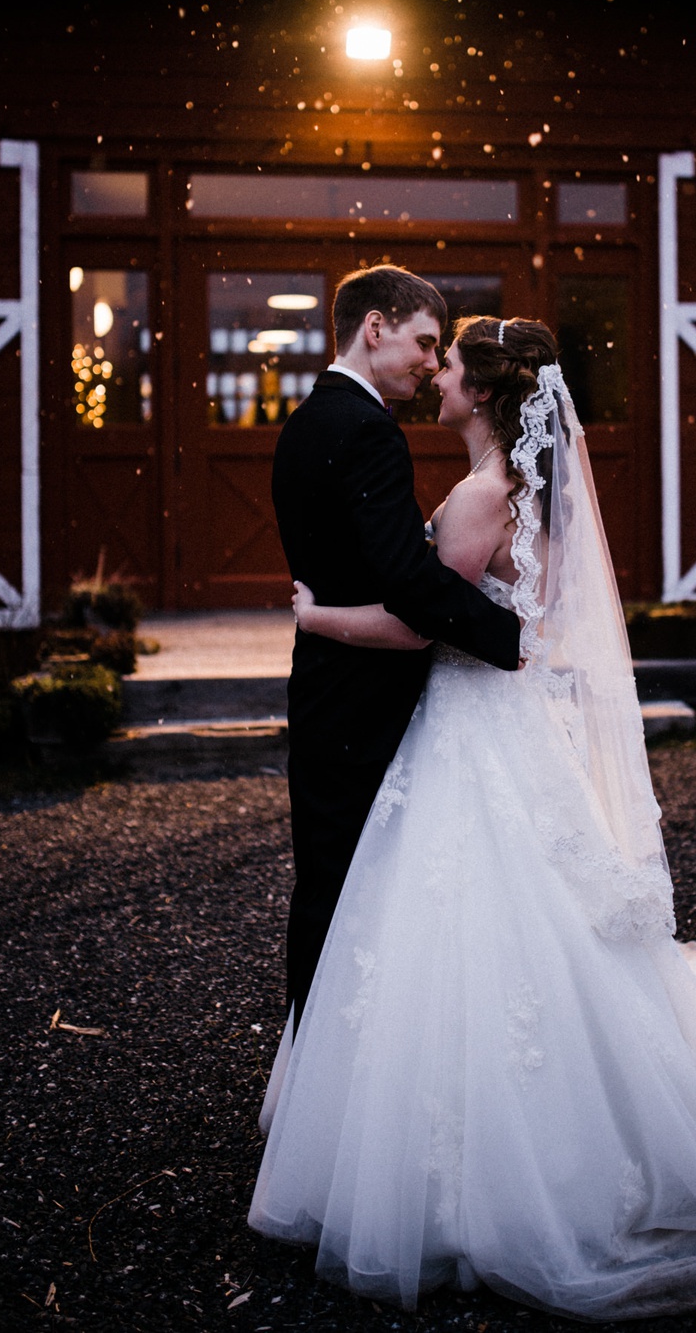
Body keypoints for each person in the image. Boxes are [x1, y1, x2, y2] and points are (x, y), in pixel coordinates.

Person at [251, 316, 696, 1321]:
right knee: (532, 926)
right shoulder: (527, 491)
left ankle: (478, 1163)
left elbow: (425, 618)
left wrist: (314, 615)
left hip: (469, 733)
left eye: (451, 364)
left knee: (463, 921)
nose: (437, 377)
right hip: (505, 728)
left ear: (485, 393)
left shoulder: (476, 495)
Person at [270, 268, 521, 1030]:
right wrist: (515, 635)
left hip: (324, 690)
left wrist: (318, 619)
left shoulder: (306, 421)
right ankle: (326, 1069)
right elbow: (410, 583)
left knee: (330, 881)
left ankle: (317, 1064)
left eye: (438, 350)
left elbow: (360, 562)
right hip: (362, 697)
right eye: (422, 341)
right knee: (351, 886)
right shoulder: (369, 429)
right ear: (373, 328)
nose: (428, 359)